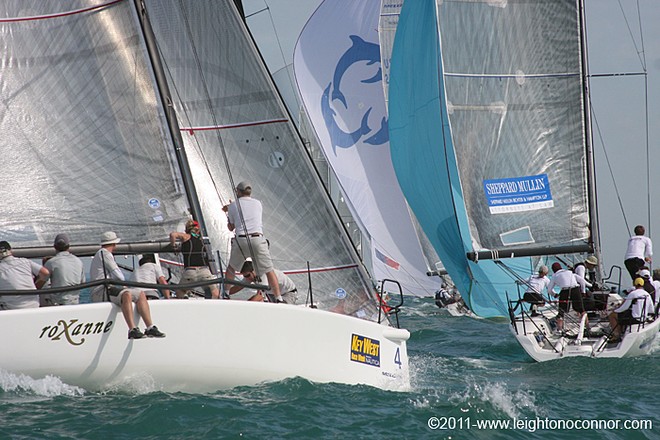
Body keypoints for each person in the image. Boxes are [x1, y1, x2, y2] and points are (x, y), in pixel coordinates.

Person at [90, 231, 165, 339]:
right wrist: (123, 285)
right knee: (127, 295)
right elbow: (119, 276)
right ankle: (132, 329)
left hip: (108, 289)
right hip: (102, 291)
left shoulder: (102, 253)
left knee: (140, 294)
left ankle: (150, 327)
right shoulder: (105, 254)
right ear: (114, 244)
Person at [223, 181, 283, 303]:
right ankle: (278, 298)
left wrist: (227, 212)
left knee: (231, 268)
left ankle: (225, 293)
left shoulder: (233, 206)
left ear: (238, 192)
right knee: (269, 270)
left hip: (241, 239)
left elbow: (231, 227)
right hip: (257, 238)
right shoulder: (258, 203)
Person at [169, 220, 219, 299]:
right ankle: (212, 305)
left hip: (190, 272)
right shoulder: (202, 240)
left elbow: (173, 235)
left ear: (187, 229)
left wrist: (173, 246)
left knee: (179, 291)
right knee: (214, 291)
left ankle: (185, 300)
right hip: (204, 271)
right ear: (198, 229)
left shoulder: (186, 236)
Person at [0, 241, 49, 310]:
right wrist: (37, 286)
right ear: (10, 251)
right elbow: (45, 272)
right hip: (34, 305)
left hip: (11, 308)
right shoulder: (25, 261)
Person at [43, 233, 86, 305]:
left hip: (57, 303)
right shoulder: (78, 261)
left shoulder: (50, 263)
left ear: (54, 246)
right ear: (68, 247)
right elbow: (82, 282)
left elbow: (42, 282)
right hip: (75, 302)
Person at [608, 277, 654, 342]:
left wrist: (614, 310)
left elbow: (624, 308)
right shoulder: (647, 294)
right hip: (643, 319)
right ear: (643, 284)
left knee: (612, 315)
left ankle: (616, 336)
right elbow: (651, 310)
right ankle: (622, 333)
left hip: (633, 319)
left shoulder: (632, 294)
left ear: (634, 284)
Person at [228, 260, 297, 303]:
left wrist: (246, 305)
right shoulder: (250, 276)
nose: (247, 278)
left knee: (282, 310)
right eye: (244, 276)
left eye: (248, 275)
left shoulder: (262, 275)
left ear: (253, 271)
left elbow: (260, 296)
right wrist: (225, 293)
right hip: (272, 294)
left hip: (288, 293)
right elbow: (238, 287)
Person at [547, 262, 586, 332]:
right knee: (582, 310)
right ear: (561, 267)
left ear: (553, 270)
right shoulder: (570, 272)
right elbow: (582, 281)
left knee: (561, 312)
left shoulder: (555, 276)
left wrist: (555, 295)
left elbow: (549, 290)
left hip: (565, 291)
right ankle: (587, 327)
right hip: (575, 290)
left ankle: (560, 329)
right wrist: (583, 292)